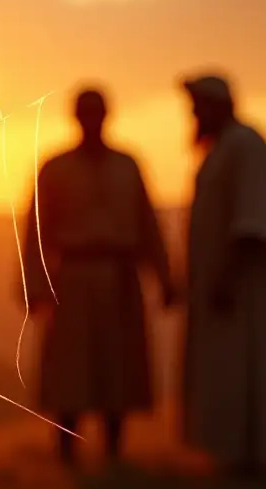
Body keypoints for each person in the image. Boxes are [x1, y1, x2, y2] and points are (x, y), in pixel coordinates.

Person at [21, 86, 176, 466]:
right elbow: (35, 234)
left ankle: (114, 450)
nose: (92, 119)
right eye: (85, 112)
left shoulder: (128, 166)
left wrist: (165, 276)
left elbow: (147, 223)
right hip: (71, 276)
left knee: (117, 362)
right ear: (76, 117)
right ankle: (66, 451)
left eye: (97, 112)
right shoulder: (54, 168)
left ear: (107, 115)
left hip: (121, 273)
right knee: (70, 366)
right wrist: (35, 286)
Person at [178, 73, 266, 476]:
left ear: (219, 107)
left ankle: (248, 457)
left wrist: (227, 277)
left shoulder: (244, 147)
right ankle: (230, 455)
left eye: (198, 108)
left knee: (242, 365)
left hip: (243, 289)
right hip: (225, 285)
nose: (193, 116)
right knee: (226, 367)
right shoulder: (225, 149)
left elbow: (253, 221)